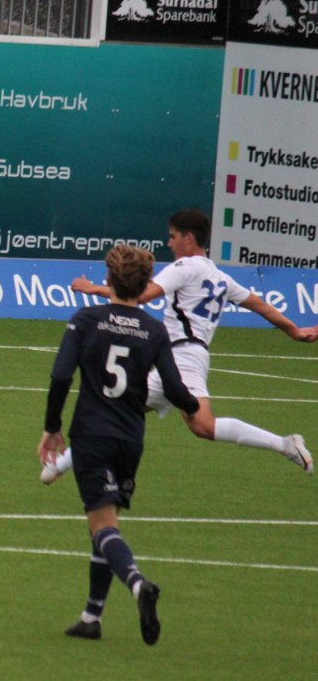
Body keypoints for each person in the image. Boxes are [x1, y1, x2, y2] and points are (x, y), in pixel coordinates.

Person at [41, 209, 314, 483]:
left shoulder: (184, 268)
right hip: (183, 355)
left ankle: (285, 444)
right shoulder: (220, 277)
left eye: (173, 237)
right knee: (118, 410)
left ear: (189, 237)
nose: (169, 243)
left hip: (183, 356)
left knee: (202, 424)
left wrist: (95, 289)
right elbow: (260, 305)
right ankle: (60, 464)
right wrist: (293, 330)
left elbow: (141, 295)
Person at [38, 244, 201, 645]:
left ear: (108, 279)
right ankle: (91, 617)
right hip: (130, 439)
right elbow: (175, 388)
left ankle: (137, 583)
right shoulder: (154, 330)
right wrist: (193, 406)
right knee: (106, 523)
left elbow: (61, 376)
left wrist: (52, 427)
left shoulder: (86, 320)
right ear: (145, 286)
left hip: (92, 436)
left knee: (102, 525)